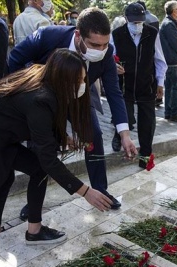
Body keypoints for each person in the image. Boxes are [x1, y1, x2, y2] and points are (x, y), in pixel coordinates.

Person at [0, 49, 112, 242]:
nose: (81, 85)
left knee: (28, 173)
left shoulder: (45, 79)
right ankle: (2, 233)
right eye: (77, 80)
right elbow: (48, 159)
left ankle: (27, 231)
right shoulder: (41, 98)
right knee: (14, 176)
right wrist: (85, 191)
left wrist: (63, 138)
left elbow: (40, 126)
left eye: (83, 79)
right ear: (62, 78)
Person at [9, 8, 138, 219]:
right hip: (43, 99)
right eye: (95, 45)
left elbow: (114, 92)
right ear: (78, 35)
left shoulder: (106, 52)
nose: (101, 50)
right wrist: (33, 85)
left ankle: (100, 191)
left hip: (80, 98)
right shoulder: (48, 36)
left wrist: (124, 134)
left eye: (105, 44)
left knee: (94, 136)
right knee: (41, 150)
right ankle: (34, 205)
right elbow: (14, 59)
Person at [111, 3, 166, 168]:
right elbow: (110, 56)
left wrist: (160, 83)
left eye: (139, 21)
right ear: (126, 18)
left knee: (147, 123)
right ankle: (118, 135)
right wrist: (114, 66)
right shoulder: (117, 34)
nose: (137, 25)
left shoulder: (152, 33)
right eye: (134, 21)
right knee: (124, 116)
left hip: (146, 85)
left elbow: (160, 60)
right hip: (125, 84)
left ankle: (145, 158)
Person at [160, 0, 177, 122]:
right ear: (172, 11)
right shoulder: (169, 25)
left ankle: (169, 112)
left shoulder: (167, 23)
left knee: (170, 88)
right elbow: (176, 42)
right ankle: (174, 112)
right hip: (172, 62)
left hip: (169, 61)